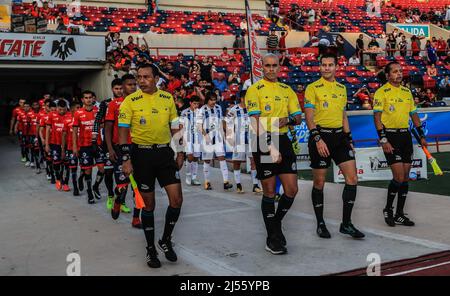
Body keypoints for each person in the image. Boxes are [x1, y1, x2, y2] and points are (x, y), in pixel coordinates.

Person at [118, 64, 184, 268]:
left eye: (146, 77)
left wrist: (180, 150)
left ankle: (165, 239)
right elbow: (123, 131)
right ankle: (150, 249)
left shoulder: (167, 98)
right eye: (139, 77)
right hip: (141, 155)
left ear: (156, 78)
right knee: (149, 205)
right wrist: (126, 159)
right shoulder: (130, 101)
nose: (141, 80)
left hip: (165, 153)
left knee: (177, 200)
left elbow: (175, 126)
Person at [245, 53, 302, 255]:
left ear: (279, 67)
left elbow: (298, 117)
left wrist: (286, 120)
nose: (270, 69)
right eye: (267, 66)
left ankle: (275, 224)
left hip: (284, 139)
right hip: (262, 140)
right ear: (262, 67)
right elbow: (255, 122)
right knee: (269, 191)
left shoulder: (287, 90)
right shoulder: (254, 90)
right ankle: (272, 238)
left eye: (274, 65)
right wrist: (270, 146)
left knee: (292, 189)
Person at [304, 53, 365, 240]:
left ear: (336, 67)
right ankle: (320, 223)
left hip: (340, 138)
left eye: (330, 64)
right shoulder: (312, 88)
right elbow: (309, 116)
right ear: (319, 67)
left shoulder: (341, 88)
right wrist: (317, 139)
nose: (327, 68)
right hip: (320, 137)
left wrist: (349, 138)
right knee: (319, 183)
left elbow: (343, 115)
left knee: (352, 178)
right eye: (324, 65)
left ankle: (346, 224)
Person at [373, 61, 428, 227]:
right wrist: (384, 140)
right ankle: (388, 209)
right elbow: (377, 118)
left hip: (405, 137)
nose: (399, 74)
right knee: (397, 176)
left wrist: (421, 135)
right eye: (395, 71)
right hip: (390, 136)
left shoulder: (407, 92)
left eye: (400, 71)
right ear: (388, 75)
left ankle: (399, 214)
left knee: (404, 178)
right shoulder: (381, 92)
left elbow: (414, 115)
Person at [105, 74, 142, 229]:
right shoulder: (114, 105)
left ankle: (136, 218)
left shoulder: (141, 103)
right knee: (123, 184)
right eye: (129, 84)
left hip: (139, 147)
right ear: (123, 86)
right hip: (121, 148)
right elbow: (107, 128)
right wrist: (110, 148)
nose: (133, 87)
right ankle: (118, 200)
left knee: (139, 186)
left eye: (135, 84)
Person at [196, 92, 233, 191]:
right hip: (207, 137)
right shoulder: (202, 110)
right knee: (207, 160)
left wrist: (224, 133)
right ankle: (207, 182)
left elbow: (221, 121)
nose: (213, 102)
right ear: (207, 100)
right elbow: (199, 125)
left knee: (222, 157)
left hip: (218, 137)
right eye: (211, 99)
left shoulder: (218, 108)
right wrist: (205, 135)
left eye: (214, 99)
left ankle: (226, 182)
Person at [225, 96, 262, 194]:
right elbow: (227, 123)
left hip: (251, 139)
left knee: (254, 161)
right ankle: (238, 185)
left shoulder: (253, 108)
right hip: (239, 140)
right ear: (241, 98)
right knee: (237, 162)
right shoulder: (234, 109)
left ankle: (255, 185)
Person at [73, 90, 99, 204]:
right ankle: (89, 192)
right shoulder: (78, 113)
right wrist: (75, 146)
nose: (88, 99)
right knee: (88, 169)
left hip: (98, 144)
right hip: (84, 145)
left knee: (102, 168)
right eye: (86, 98)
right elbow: (74, 131)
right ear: (82, 100)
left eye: (90, 97)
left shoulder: (98, 111)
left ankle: (95, 186)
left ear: (93, 99)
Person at [45, 100, 69, 191]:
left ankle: (66, 183)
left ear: (66, 108)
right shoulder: (51, 115)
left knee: (67, 163)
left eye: (64, 109)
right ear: (56, 108)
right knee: (56, 162)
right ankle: (58, 178)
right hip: (54, 143)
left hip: (67, 144)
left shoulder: (70, 115)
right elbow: (47, 130)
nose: (62, 111)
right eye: (60, 109)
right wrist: (47, 144)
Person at [180, 96, 202, 186]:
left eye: (197, 104)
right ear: (190, 103)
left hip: (197, 138)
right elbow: (181, 125)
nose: (196, 105)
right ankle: (188, 175)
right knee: (190, 157)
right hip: (187, 137)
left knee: (196, 158)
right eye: (194, 103)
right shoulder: (185, 112)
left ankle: (194, 177)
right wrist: (181, 137)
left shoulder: (200, 112)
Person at [61, 101, 81, 195]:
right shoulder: (66, 120)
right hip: (70, 148)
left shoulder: (82, 117)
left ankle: (81, 179)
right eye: (77, 107)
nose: (79, 108)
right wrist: (63, 150)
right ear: (72, 109)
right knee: (73, 168)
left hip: (83, 147)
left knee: (85, 169)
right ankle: (75, 187)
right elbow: (64, 136)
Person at [26, 100, 42, 173]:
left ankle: (43, 162)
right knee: (34, 149)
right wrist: (27, 135)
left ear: (39, 106)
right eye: (34, 105)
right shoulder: (29, 114)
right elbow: (28, 125)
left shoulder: (42, 113)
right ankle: (35, 164)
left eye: (37, 105)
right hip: (32, 135)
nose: (35, 106)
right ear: (32, 106)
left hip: (41, 135)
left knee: (42, 150)